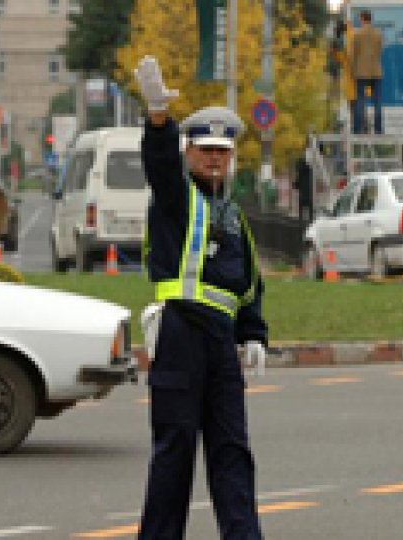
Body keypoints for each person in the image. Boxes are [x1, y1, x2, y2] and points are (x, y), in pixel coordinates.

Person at [134, 55, 267, 540]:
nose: (214, 158)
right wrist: (157, 118)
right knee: (175, 454)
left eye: (223, 152)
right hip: (182, 335)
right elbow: (160, 165)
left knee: (233, 452)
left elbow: (249, 284)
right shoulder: (177, 198)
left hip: (221, 346)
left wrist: (253, 333)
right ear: (189, 152)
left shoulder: (232, 214)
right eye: (206, 150)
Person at [351, 9, 383, 134]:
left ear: (362, 19)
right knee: (378, 101)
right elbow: (380, 51)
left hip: (361, 71)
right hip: (376, 71)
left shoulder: (357, 34)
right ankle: (378, 129)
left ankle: (357, 129)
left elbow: (354, 54)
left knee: (360, 101)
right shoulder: (378, 34)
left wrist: (354, 70)